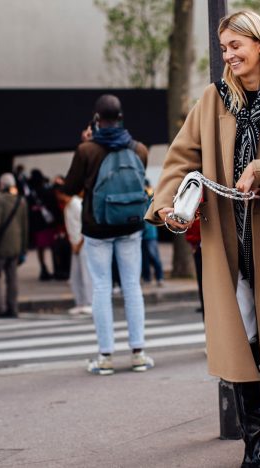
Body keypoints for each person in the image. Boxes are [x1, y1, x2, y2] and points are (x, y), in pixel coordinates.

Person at [149, 11, 260, 467]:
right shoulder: (214, 100)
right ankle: (254, 440)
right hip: (230, 245)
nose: (228, 55)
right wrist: (168, 203)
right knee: (240, 345)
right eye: (224, 47)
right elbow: (180, 157)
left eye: (236, 46)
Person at [61, 94, 154, 377]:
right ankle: (138, 353)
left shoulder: (87, 150)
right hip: (130, 225)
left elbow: (69, 186)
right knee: (131, 286)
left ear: (97, 119)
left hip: (97, 226)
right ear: (121, 117)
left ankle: (105, 356)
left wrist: (84, 142)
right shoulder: (139, 149)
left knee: (101, 287)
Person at [0, 173, 28, 319]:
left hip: (1, 244)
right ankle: (13, 306)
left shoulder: (0, 201)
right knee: (12, 277)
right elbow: (25, 226)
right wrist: (24, 247)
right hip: (16, 244)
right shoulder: (21, 201)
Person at [55, 186, 92, 315]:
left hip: (83, 242)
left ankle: (89, 302)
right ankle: (80, 302)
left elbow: (85, 225)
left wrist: (79, 243)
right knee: (75, 275)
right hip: (74, 243)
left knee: (86, 274)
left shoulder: (76, 204)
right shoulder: (67, 206)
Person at [27, 169, 62, 281]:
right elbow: (55, 208)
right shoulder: (48, 192)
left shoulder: (31, 195)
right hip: (49, 223)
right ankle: (57, 269)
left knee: (40, 248)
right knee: (53, 246)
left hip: (38, 225)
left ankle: (43, 268)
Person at [140, 180, 164, 286]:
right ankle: (147, 277)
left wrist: (150, 192)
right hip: (141, 233)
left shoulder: (150, 196)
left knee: (154, 255)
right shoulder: (141, 197)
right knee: (144, 257)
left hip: (150, 233)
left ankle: (159, 277)